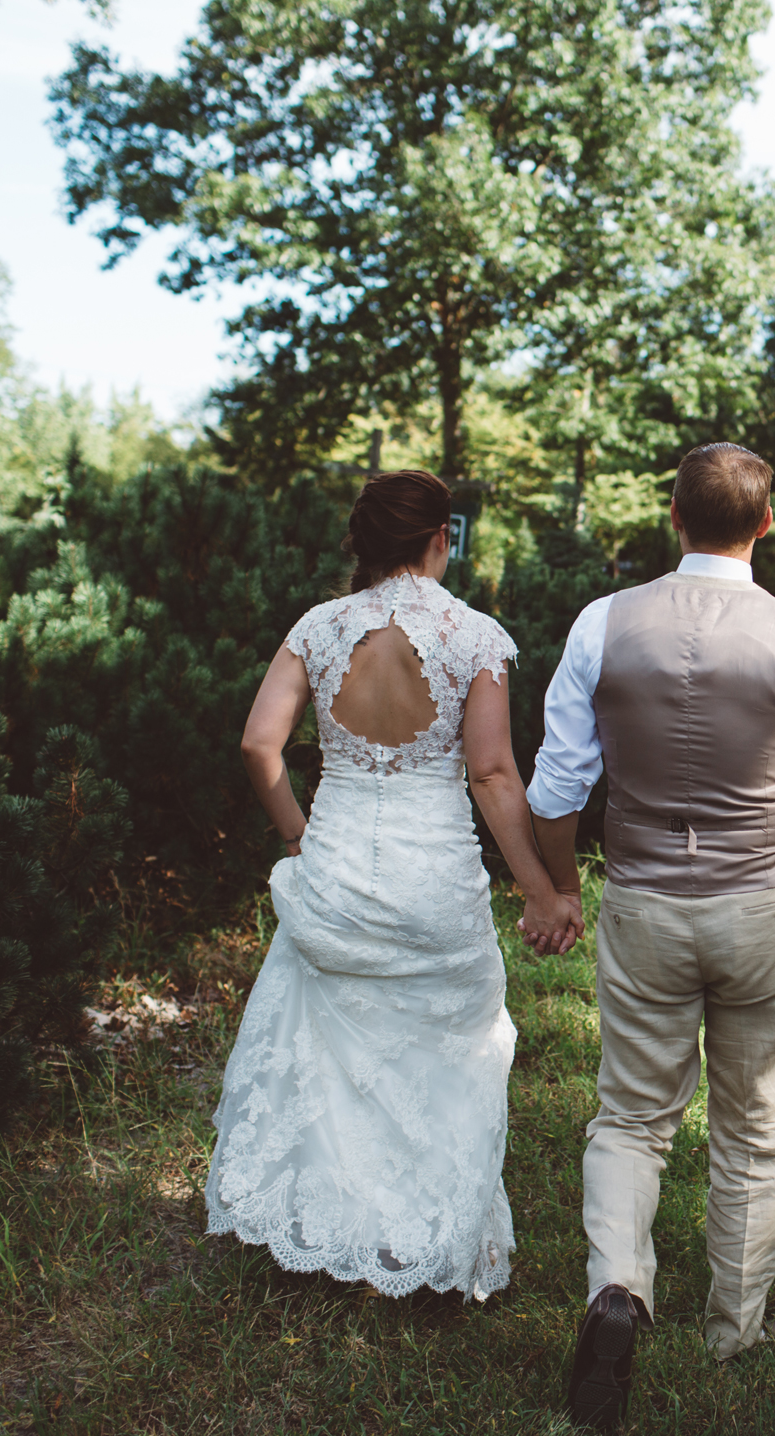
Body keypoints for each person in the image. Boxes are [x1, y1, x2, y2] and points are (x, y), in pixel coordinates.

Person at [527, 441, 775, 1431]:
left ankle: (619, 1289)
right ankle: (733, 1327)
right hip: (761, 903)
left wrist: (560, 885)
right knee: (754, 1124)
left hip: (641, 897)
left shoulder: (602, 623)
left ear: (670, 517)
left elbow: (557, 785)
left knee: (632, 1113)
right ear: (766, 527)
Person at [207, 469, 583, 1301]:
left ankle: (329, 1225)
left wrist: (300, 837)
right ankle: (418, 1241)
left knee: (335, 1048)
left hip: (337, 864)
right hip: (432, 878)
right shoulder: (474, 635)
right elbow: (490, 772)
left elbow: (257, 747)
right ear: (439, 537)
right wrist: (538, 889)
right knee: (445, 1047)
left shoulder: (317, 628)